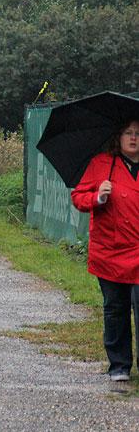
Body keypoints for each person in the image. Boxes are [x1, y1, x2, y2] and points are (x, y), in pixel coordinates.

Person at [71, 118, 139, 381]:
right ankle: (119, 365)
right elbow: (78, 197)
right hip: (110, 252)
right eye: (128, 133)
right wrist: (98, 197)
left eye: (138, 133)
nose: (133, 138)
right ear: (118, 137)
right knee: (115, 308)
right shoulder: (102, 164)